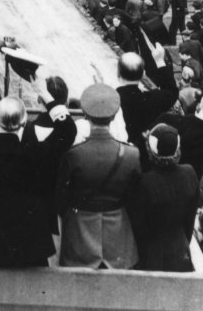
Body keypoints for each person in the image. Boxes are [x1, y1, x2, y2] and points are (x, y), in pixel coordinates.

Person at [0, 93, 75, 268]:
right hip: (32, 246)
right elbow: (68, 130)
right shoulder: (38, 153)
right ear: (24, 122)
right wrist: (48, 97)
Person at [56, 83, 141, 269]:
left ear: (85, 115)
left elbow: (61, 198)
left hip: (80, 232)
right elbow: (134, 196)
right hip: (118, 233)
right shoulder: (132, 154)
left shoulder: (74, 154)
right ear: (113, 116)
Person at [132, 123, 198, 271]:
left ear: (150, 150)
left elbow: (138, 225)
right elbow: (190, 219)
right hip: (180, 251)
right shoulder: (189, 173)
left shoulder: (144, 182)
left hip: (150, 254)